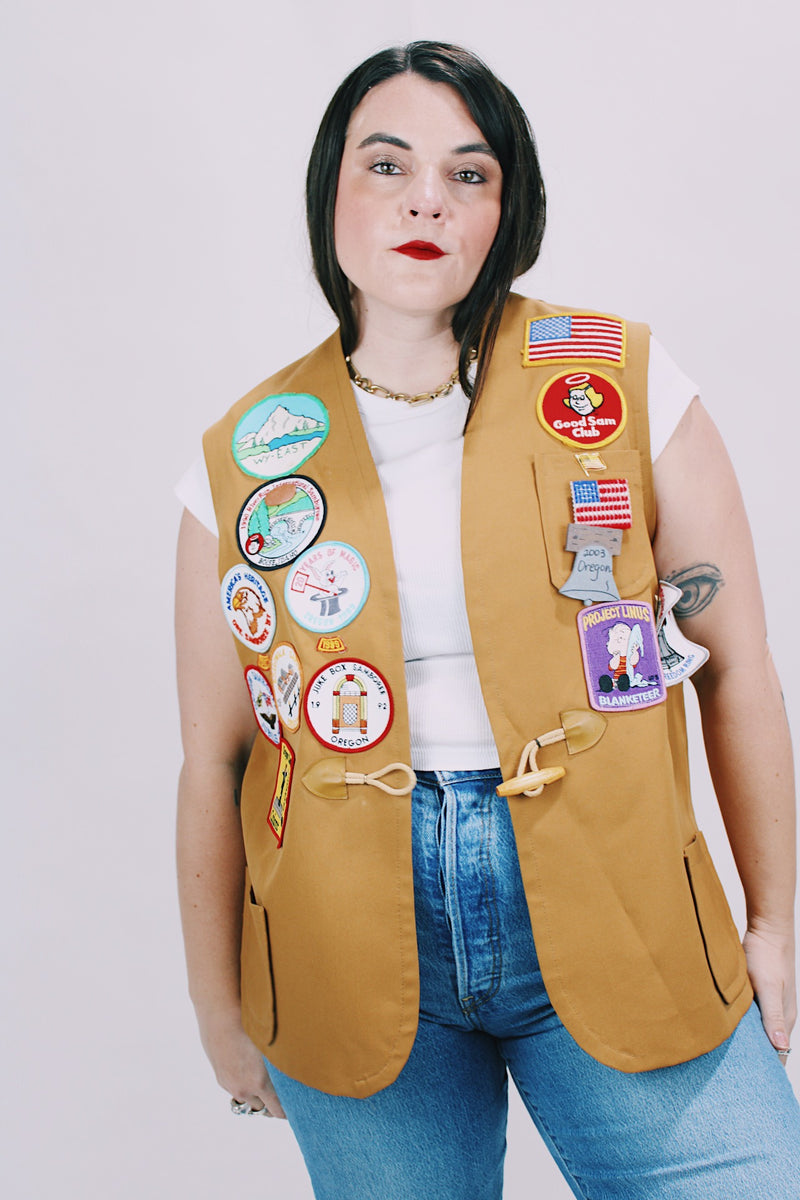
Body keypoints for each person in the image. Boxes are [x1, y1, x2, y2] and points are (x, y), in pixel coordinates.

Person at [175, 41, 800, 1199]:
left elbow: (737, 670)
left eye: (470, 173)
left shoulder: (622, 384)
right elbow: (216, 763)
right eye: (386, 164)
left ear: (507, 209)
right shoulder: (243, 457)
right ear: (330, 195)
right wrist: (218, 1010)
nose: (426, 198)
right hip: (345, 934)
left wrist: (775, 921)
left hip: (617, 898)